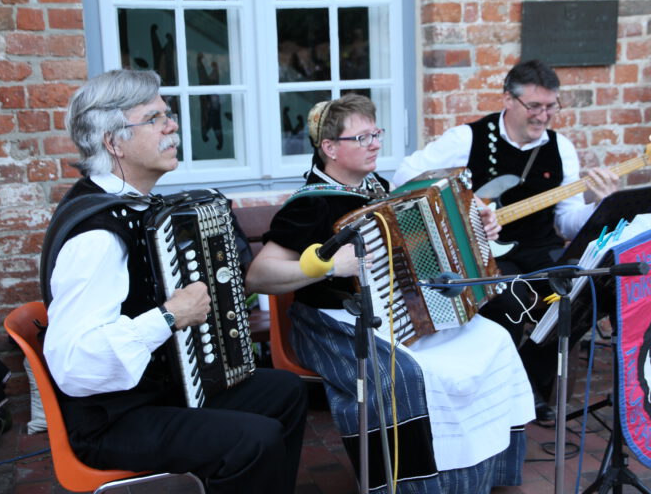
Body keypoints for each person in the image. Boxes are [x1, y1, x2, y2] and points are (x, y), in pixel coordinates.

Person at [246, 93, 534, 493]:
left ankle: (483, 474)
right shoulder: (309, 205)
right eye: (362, 138)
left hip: (396, 309)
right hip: (333, 322)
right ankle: (414, 484)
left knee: (495, 339)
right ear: (329, 148)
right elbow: (258, 276)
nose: (375, 143)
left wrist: (477, 227)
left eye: (375, 133)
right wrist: (329, 265)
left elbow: (422, 246)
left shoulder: (375, 186)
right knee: (406, 375)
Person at [42, 69, 307, 494]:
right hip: (114, 420)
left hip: (154, 392)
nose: (172, 125)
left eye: (167, 114)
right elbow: (74, 364)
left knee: (286, 391)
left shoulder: (133, 207)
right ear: (113, 142)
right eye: (154, 118)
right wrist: (168, 316)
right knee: (253, 442)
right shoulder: (97, 238)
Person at [393, 59, 620, 422]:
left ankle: (527, 383)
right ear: (508, 100)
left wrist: (596, 200)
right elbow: (404, 177)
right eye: (534, 106)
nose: (543, 116)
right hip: (485, 253)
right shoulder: (467, 139)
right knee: (509, 301)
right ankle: (505, 392)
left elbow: (569, 222)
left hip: (541, 249)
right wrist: (462, 213)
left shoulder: (561, 149)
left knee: (584, 292)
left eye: (550, 106)